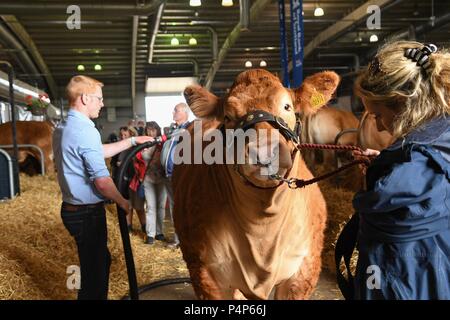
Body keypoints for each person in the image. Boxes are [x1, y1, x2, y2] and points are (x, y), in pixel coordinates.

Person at [336, 41, 450, 300]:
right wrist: (395, 161)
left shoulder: (397, 187)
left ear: (402, 104)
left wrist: (390, 174)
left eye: (377, 114)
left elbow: (391, 276)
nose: (376, 126)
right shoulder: (442, 132)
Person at [53, 75, 153, 300]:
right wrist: (123, 201)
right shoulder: (85, 130)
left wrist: (131, 142)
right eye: (99, 98)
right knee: (96, 275)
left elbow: (96, 151)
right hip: (86, 213)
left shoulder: (64, 126)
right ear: (86, 98)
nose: (102, 103)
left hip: (72, 209)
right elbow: (102, 181)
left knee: (96, 264)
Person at [161, 102, 191, 248]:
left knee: (184, 207)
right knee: (174, 208)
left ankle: (187, 239)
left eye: (176, 110)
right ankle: (178, 239)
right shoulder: (174, 130)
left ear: (185, 113)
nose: (173, 113)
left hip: (181, 176)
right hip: (168, 175)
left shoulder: (190, 129)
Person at [141, 121, 167, 245]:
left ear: (158, 130)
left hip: (162, 178)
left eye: (153, 130)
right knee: (150, 206)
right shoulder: (143, 143)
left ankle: (159, 232)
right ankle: (150, 234)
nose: (151, 132)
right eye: (148, 130)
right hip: (148, 179)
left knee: (161, 206)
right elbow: (137, 160)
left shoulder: (163, 143)